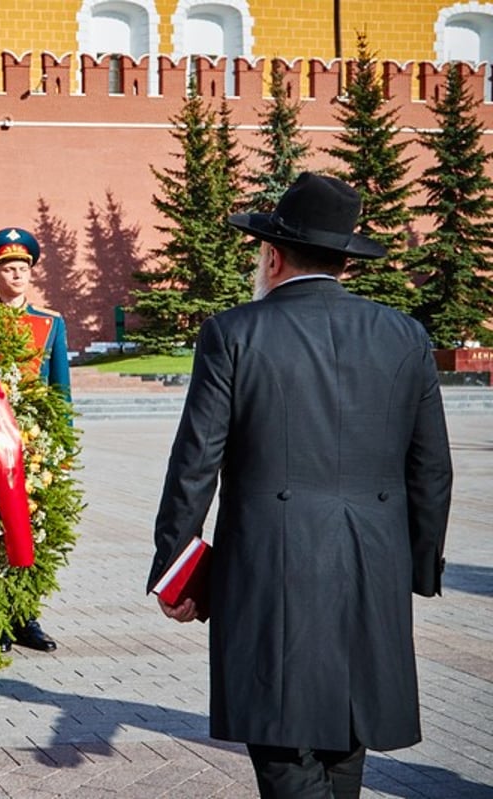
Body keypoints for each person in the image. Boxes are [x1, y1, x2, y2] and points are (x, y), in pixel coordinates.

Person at [147, 173, 452, 799]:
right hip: (374, 562)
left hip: (271, 561)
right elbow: (431, 468)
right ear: (345, 261)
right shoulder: (406, 336)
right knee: (346, 739)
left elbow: (196, 463)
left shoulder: (235, 332)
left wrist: (177, 570)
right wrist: (417, 569)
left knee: (283, 743)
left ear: (273, 255)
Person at [0, 227, 71, 653]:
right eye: (8, 268)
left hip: (33, 441)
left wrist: (62, 444)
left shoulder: (49, 323)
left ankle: (25, 616)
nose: (17, 275)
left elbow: (60, 389)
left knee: (31, 528)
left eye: (23, 268)